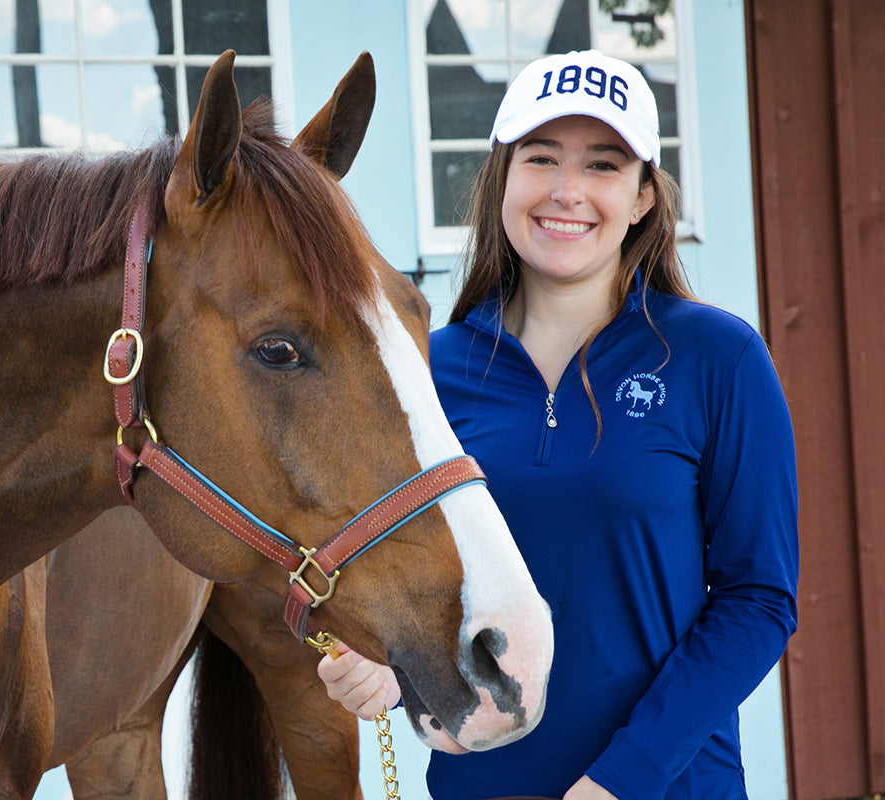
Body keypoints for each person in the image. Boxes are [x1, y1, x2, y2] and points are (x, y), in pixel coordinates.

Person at [317, 50, 798, 800]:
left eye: (603, 165)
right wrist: (384, 658)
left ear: (642, 197)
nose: (567, 191)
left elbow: (760, 597)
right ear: (503, 179)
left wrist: (623, 778)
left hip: (669, 785)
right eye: (541, 158)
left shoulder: (718, 358)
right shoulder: (426, 372)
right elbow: (398, 565)